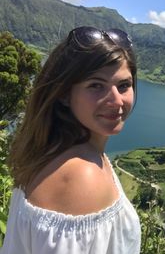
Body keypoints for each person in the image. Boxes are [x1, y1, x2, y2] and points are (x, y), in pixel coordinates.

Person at [0, 26, 141, 253]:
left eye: (124, 85)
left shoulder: (52, 149)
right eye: (96, 85)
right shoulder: (79, 177)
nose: (116, 101)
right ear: (64, 94)